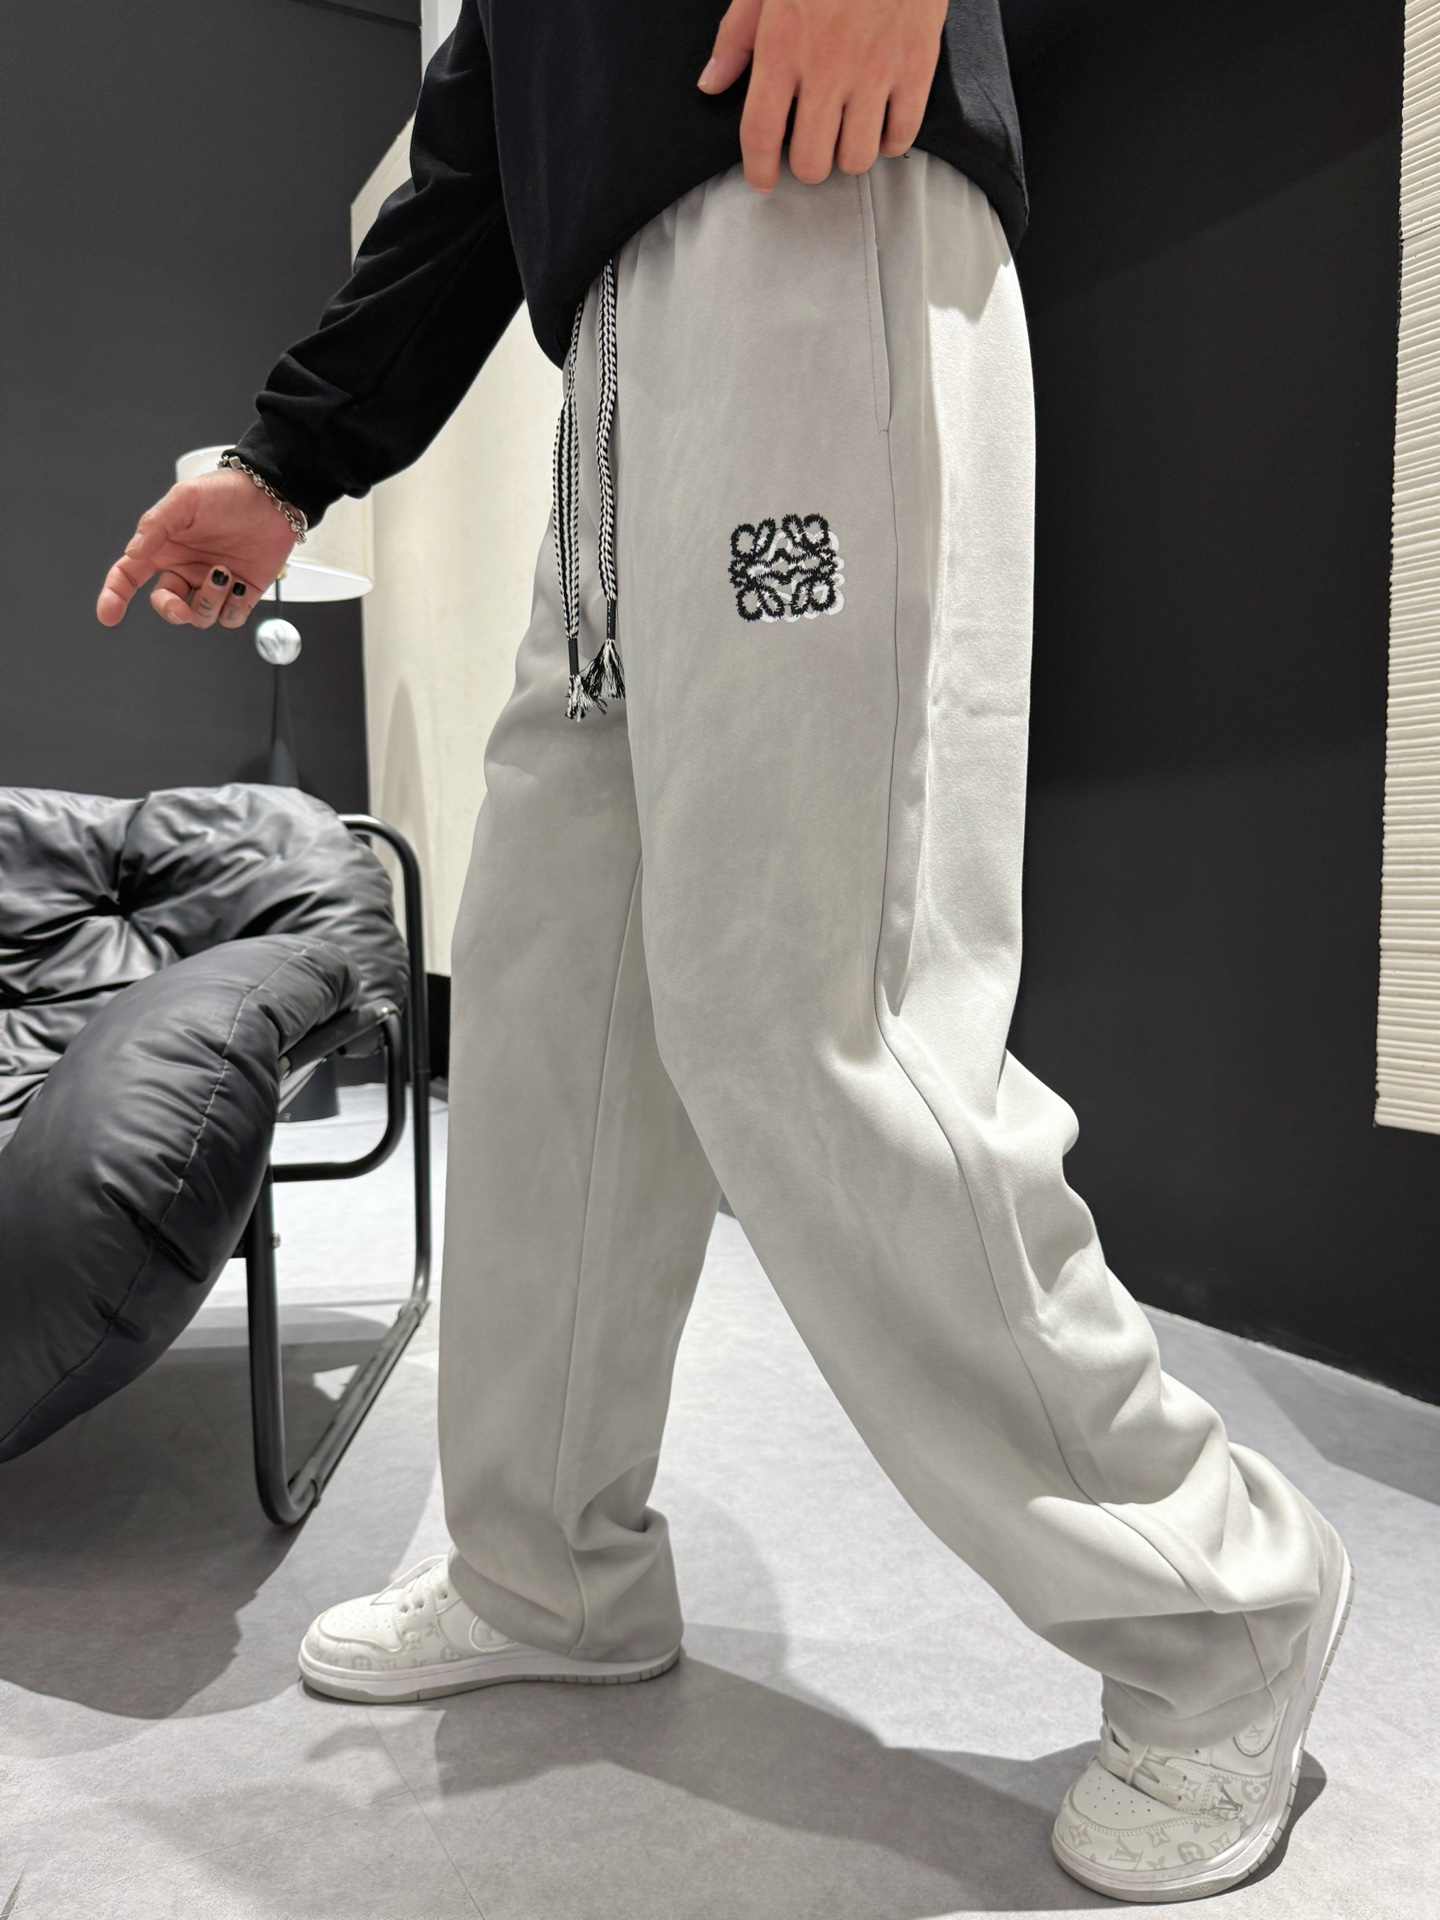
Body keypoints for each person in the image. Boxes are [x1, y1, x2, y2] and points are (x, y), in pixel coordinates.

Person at [96, 1, 1350, 1902]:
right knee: (553, 1014)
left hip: (810, 195)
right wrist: (289, 459)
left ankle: (1221, 1604)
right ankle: (551, 1569)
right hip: (610, 349)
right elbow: (484, 130)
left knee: (817, 1015)